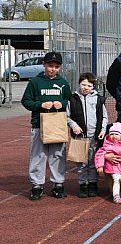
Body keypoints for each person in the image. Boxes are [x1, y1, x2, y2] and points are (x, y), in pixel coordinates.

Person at [23, 51, 71, 200]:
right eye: (50, 66)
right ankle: (37, 185)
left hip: (57, 124)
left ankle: (58, 184)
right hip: (39, 124)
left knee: (57, 154)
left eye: (56, 67)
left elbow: (69, 101)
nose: (53, 69)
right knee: (38, 155)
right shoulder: (35, 82)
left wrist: (61, 103)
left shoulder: (63, 83)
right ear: (44, 64)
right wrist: (40, 105)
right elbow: (26, 101)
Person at [68, 72, 108, 198]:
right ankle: (82, 184)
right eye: (83, 84)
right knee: (81, 162)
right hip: (80, 137)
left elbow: (104, 117)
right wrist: (74, 125)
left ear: (93, 87)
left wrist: (102, 130)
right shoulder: (73, 99)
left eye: (89, 85)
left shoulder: (98, 99)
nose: (86, 87)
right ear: (79, 84)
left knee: (92, 162)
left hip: (94, 137)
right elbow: (67, 116)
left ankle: (92, 184)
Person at [94, 122, 121, 204]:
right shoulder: (107, 145)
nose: (113, 136)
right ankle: (116, 196)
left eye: (116, 134)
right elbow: (99, 154)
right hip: (113, 167)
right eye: (111, 134)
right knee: (117, 179)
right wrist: (100, 166)